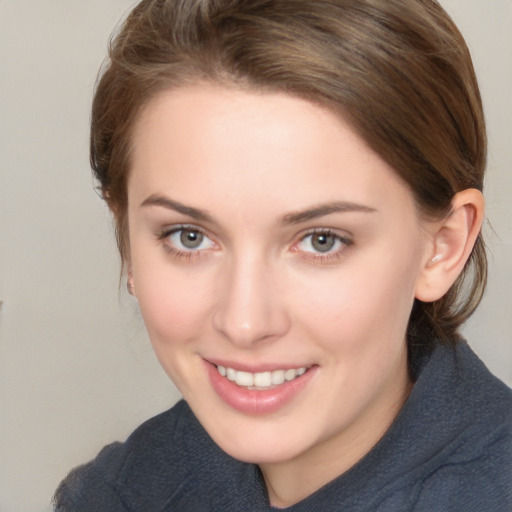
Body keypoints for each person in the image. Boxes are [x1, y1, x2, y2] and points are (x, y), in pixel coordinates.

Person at [53, 0, 511, 510]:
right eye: (188, 236)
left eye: (322, 241)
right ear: (127, 240)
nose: (245, 323)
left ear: (442, 247)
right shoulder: (122, 491)